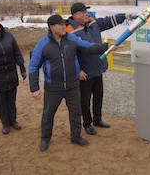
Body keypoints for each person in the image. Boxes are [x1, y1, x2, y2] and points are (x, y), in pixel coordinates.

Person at [28, 14, 117, 152]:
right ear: (52, 28)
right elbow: (33, 67)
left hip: (72, 85)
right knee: (48, 114)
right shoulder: (43, 44)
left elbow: (88, 47)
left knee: (76, 113)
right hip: (53, 87)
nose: (64, 26)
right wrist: (34, 88)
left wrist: (106, 46)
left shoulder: (71, 39)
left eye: (64, 24)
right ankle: (45, 138)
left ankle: (76, 137)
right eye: (61, 25)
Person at [66, 2, 132, 135]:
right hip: (84, 72)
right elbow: (68, 54)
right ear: (76, 15)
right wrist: (78, 70)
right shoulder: (68, 30)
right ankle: (87, 124)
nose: (87, 14)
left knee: (98, 95)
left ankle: (97, 119)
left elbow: (107, 22)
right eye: (84, 12)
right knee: (85, 100)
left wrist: (124, 16)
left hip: (97, 67)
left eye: (87, 11)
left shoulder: (92, 21)